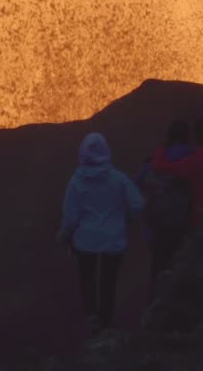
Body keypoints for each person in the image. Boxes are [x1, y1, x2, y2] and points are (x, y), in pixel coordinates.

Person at [57, 132, 144, 334]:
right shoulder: (118, 179)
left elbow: (71, 217)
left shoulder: (77, 182)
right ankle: (106, 324)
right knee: (108, 283)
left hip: (85, 242)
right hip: (114, 240)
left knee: (87, 281)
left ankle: (90, 320)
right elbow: (138, 204)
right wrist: (124, 218)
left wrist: (63, 235)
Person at [135, 120, 196, 283]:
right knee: (185, 276)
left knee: (158, 272)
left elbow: (136, 186)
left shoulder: (154, 162)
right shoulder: (196, 160)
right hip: (187, 228)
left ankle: (155, 304)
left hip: (158, 228)